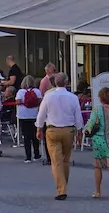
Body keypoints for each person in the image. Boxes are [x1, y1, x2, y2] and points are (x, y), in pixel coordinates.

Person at [36, 72, 84, 200]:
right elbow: (78, 116)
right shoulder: (73, 97)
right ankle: (64, 185)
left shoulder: (49, 96)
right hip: (68, 130)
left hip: (52, 130)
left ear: (54, 83)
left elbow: (41, 114)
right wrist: (80, 131)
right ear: (67, 82)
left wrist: (39, 128)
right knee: (65, 160)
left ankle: (61, 189)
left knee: (56, 161)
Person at [16, 76, 43, 162]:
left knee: (26, 137)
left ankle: (28, 157)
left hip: (23, 116)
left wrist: (24, 102)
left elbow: (17, 102)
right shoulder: (37, 91)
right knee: (35, 135)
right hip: (35, 115)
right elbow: (40, 101)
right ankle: (37, 154)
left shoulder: (20, 92)